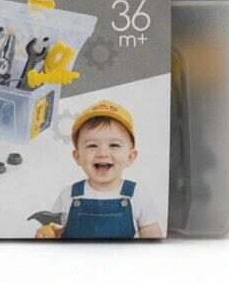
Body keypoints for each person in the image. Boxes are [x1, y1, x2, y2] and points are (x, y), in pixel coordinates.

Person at [35, 100, 163, 239]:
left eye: (114, 145)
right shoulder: (68, 195)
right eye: (92, 145)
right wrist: (44, 236)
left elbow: (152, 237)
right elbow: (54, 230)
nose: (102, 153)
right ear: (77, 157)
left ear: (130, 157)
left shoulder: (138, 195)